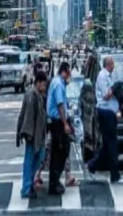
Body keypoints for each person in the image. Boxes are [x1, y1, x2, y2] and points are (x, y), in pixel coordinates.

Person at [87, 56, 123, 184]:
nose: (114, 65)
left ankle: (93, 165)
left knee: (108, 144)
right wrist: (114, 89)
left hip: (111, 113)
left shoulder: (112, 75)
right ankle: (114, 175)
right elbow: (106, 95)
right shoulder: (102, 76)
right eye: (112, 63)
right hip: (105, 112)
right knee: (112, 144)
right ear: (108, 64)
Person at [17, 71, 48, 199]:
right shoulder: (32, 94)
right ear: (39, 83)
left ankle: (28, 183)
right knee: (29, 161)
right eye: (44, 84)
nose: (45, 87)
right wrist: (28, 133)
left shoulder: (37, 94)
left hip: (38, 134)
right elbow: (29, 115)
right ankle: (26, 188)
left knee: (39, 157)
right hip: (32, 134)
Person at [46, 61, 72, 195]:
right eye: (70, 71)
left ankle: (55, 181)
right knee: (61, 150)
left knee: (60, 151)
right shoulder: (58, 84)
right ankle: (54, 182)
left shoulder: (60, 82)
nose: (70, 74)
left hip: (57, 122)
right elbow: (60, 105)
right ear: (65, 70)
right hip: (57, 123)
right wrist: (65, 124)